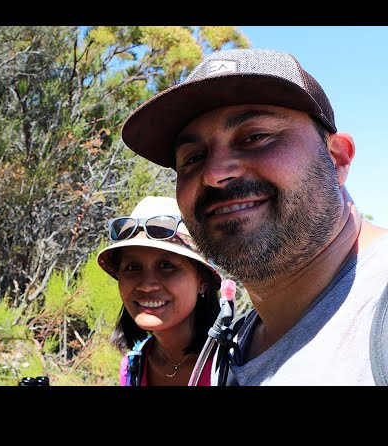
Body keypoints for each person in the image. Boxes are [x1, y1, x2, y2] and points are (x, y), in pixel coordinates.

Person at [120, 48, 388, 385]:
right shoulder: (234, 349)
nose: (215, 173)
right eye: (193, 157)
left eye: (256, 137)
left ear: (337, 158)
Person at [97, 195, 222, 386]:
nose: (147, 285)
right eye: (132, 267)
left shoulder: (231, 367)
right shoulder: (133, 368)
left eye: (166, 265)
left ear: (202, 280)